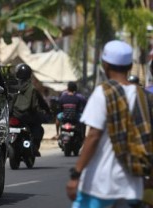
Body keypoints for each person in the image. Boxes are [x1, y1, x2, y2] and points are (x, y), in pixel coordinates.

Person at [66, 40, 151, 207]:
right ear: (129, 66)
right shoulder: (144, 97)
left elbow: (93, 136)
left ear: (105, 64)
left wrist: (76, 174)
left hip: (101, 183)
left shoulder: (103, 93)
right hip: (133, 184)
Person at [11, 63, 50, 156]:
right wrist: (47, 111)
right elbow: (38, 104)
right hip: (28, 116)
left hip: (14, 115)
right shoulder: (32, 88)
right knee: (39, 129)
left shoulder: (12, 87)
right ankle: (35, 147)